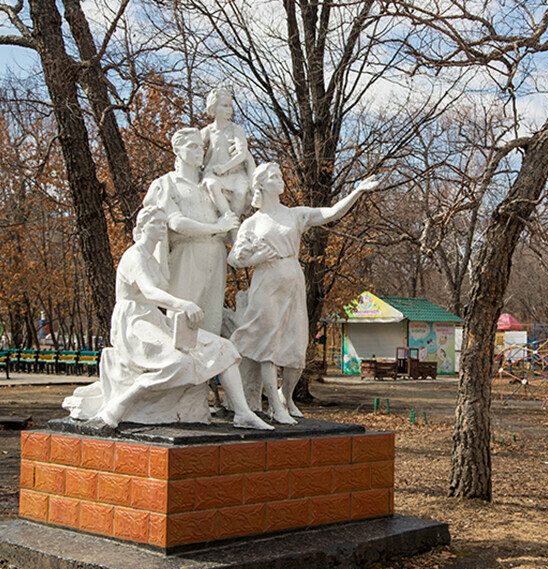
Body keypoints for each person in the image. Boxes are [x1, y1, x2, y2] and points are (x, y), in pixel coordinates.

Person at [62, 205, 272, 431]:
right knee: (178, 362)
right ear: (142, 227)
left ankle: (243, 413)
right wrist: (183, 304)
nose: (162, 227)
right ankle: (119, 405)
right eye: (156, 223)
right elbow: (150, 292)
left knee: (225, 348)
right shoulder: (134, 256)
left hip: (155, 319)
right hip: (134, 323)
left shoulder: (153, 258)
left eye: (164, 223)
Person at [228, 163, 379, 423]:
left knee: (297, 349)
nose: (280, 180)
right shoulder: (252, 223)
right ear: (261, 184)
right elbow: (234, 259)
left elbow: (330, 213)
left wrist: (357, 192)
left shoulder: (295, 215)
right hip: (267, 284)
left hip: (293, 281)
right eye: (274, 177)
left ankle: (286, 397)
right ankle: (275, 407)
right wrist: (256, 256)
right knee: (268, 346)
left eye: (280, 175)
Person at [142, 127, 239, 336]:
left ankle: (210, 369)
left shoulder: (211, 184)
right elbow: (177, 223)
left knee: (212, 318)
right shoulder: (166, 184)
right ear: (177, 150)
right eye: (192, 147)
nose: (199, 151)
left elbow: (233, 213)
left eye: (200, 147)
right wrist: (217, 227)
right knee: (183, 317)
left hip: (215, 253)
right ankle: (183, 366)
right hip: (187, 253)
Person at [201, 87, 255, 221]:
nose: (229, 109)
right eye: (224, 106)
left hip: (235, 172)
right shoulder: (208, 131)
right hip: (213, 172)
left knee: (241, 190)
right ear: (213, 108)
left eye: (230, 106)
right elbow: (194, 147)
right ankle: (228, 219)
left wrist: (225, 167)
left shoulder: (236, 130)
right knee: (212, 185)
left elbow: (242, 154)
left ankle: (234, 226)